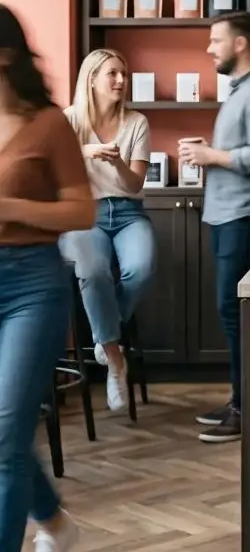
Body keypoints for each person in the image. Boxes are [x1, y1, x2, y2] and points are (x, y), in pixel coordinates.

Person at [0, 5, 96, 552]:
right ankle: (54, 523)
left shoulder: (48, 124)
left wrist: (7, 204)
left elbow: (83, 210)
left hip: (30, 283)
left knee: (6, 433)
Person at [180, 12, 250, 444]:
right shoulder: (241, 90)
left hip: (242, 216)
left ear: (240, 44)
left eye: (215, 39)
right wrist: (214, 152)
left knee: (239, 316)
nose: (209, 48)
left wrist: (211, 157)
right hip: (225, 215)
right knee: (231, 315)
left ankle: (246, 409)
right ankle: (238, 400)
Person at [60, 48, 156, 412]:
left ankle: (106, 333)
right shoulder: (68, 121)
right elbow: (54, 174)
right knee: (93, 271)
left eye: (124, 74)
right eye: (112, 74)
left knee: (142, 269)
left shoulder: (137, 123)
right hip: (85, 214)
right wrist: (84, 152)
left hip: (128, 212)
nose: (120, 81)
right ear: (92, 79)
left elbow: (133, 184)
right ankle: (116, 360)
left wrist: (116, 164)